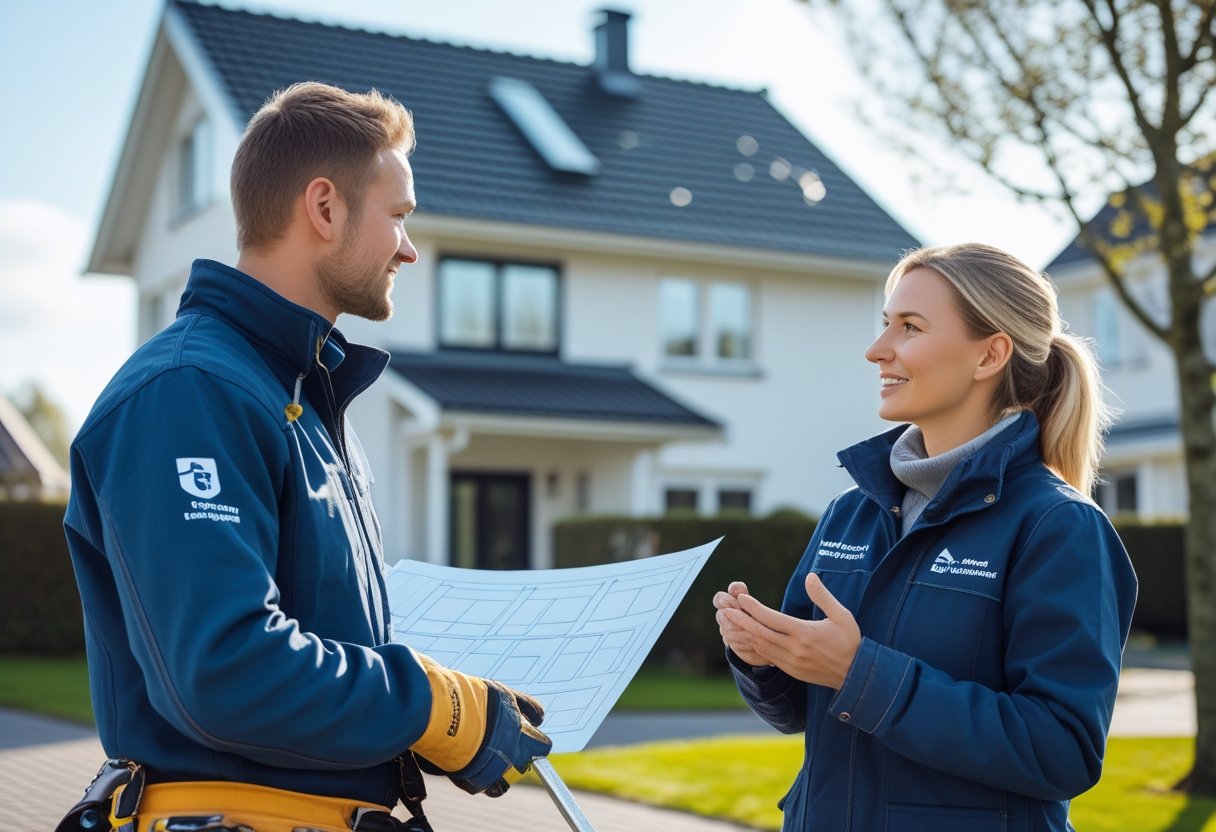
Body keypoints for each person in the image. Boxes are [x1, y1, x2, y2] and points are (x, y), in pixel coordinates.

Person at [60, 82, 550, 832]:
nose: (410, 248)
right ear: (324, 208)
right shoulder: (190, 391)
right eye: (398, 216)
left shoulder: (300, 401)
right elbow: (227, 669)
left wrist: (434, 717)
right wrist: (432, 705)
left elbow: (311, 662)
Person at [714, 243, 1137, 832]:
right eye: (885, 322)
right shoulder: (851, 513)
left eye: (909, 327)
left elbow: (1062, 750)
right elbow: (798, 711)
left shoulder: (1058, 526)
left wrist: (858, 673)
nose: (876, 349)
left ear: (990, 355)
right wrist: (762, 656)